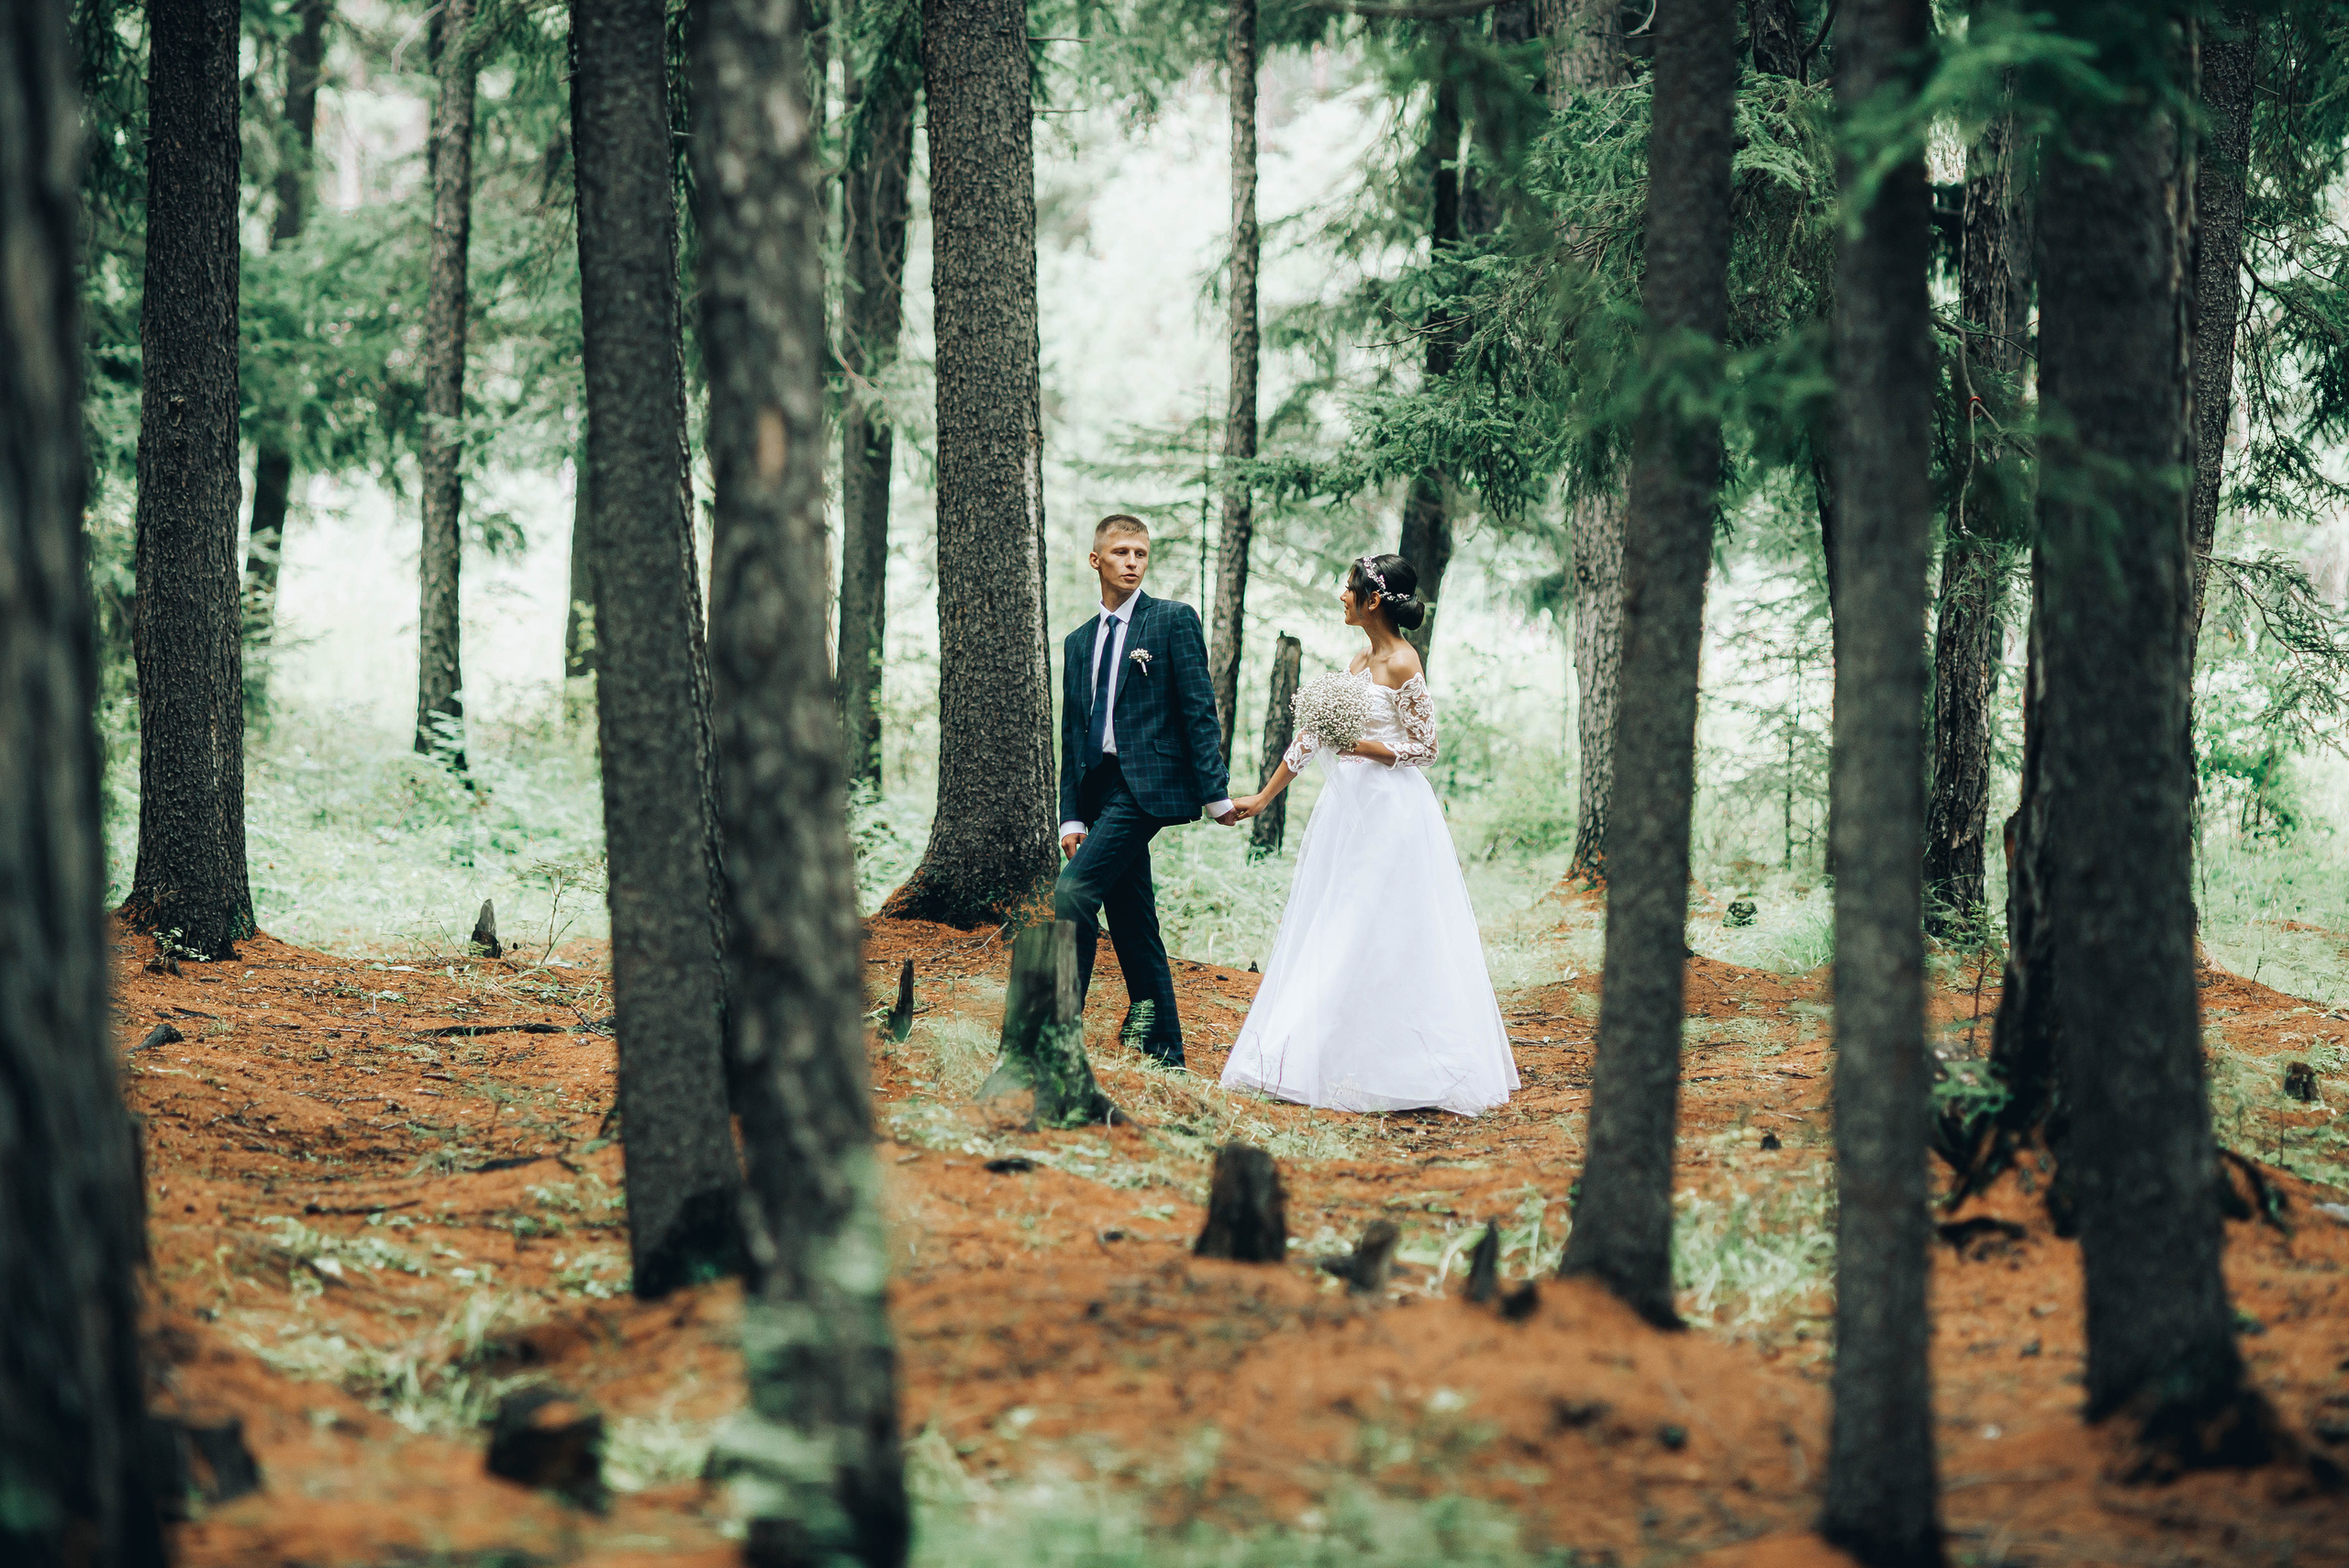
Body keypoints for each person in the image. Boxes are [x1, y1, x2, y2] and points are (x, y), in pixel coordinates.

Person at [1223, 554, 1519, 1115]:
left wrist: (1360, 746)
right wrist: (1262, 798)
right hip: (1346, 809)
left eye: (1349, 587)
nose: (1342, 595)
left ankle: (1399, 1063)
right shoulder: (1358, 659)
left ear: (1374, 600)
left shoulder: (1404, 662)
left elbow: (1425, 748)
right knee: (1336, 918)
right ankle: (1313, 1053)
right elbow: (1314, 735)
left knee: (1375, 925)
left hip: (1392, 813)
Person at [1054, 514, 1238, 1068]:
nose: (1132, 562)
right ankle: (1162, 1050)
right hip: (1098, 788)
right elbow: (1073, 731)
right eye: (1120, 552)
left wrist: (1215, 793)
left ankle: (1058, 1038)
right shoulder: (1078, 642)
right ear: (1096, 560)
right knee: (1133, 921)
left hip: (1146, 787)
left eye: (1140, 553)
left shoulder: (1172, 620)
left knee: (1073, 892)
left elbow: (1199, 709)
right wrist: (1070, 816)